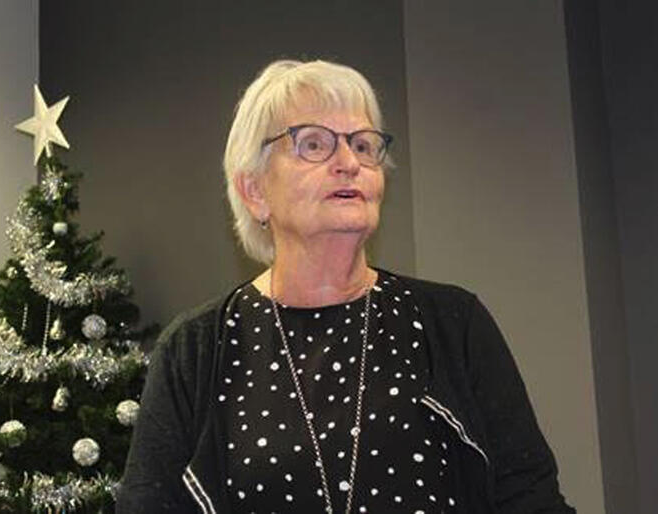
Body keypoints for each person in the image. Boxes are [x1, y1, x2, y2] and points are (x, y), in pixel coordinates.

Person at [117, 59, 575, 514]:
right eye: (314, 143)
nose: (349, 163)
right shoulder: (195, 350)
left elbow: (531, 500)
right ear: (254, 190)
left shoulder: (452, 323)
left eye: (362, 144)